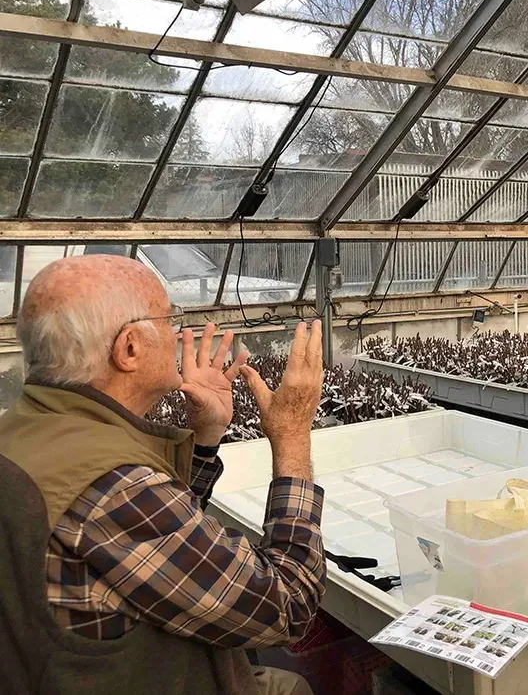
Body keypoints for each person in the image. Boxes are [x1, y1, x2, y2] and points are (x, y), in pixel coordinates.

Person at [0, 254, 327, 694]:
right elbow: (285, 605)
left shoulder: (24, 428)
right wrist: (291, 435)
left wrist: (206, 437)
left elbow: (148, 544)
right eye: (169, 320)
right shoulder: (113, 488)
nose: (178, 334)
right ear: (129, 348)